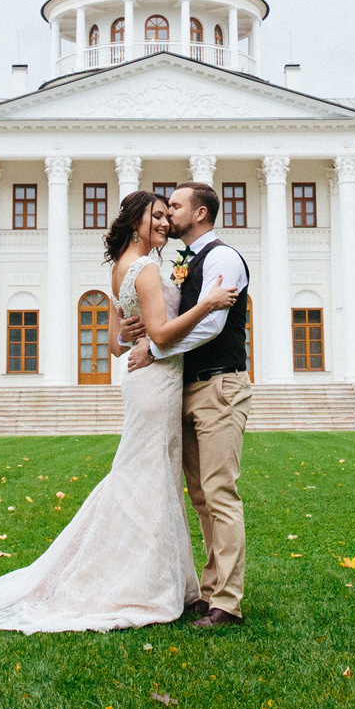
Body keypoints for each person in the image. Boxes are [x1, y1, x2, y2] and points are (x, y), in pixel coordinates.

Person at [0, 189, 237, 633]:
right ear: (136, 223)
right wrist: (205, 304)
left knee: (147, 477)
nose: (166, 224)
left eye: (169, 216)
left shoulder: (119, 271)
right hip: (156, 382)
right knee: (148, 478)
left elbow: (113, 345)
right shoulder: (147, 269)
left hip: (144, 382)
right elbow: (163, 337)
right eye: (157, 217)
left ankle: (162, 580)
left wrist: (138, 334)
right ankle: (145, 586)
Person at [122, 182, 253, 628]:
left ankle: (228, 603)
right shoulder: (184, 262)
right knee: (199, 496)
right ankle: (211, 589)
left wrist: (155, 350)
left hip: (220, 386)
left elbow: (213, 325)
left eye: (174, 207)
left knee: (219, 493)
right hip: (187, 388)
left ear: (199, 213)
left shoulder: (223, 258)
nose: (167, 214)